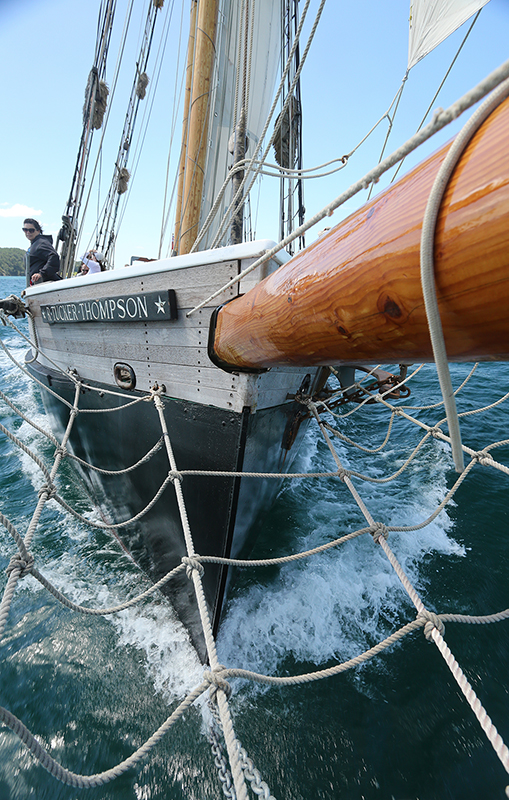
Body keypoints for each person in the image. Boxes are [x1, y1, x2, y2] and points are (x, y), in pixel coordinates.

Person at [23, 219, 61, 284]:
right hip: (37, 284)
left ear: (38, 231)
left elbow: (54, 256)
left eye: (31, 230)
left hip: (45, 284)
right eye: (25, 230)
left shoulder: (41, 243)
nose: (28, 232)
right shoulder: (34, 245)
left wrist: (41, 274)